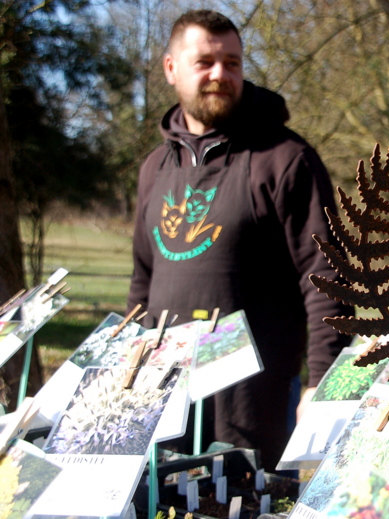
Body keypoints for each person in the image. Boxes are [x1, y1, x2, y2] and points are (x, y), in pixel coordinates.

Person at [127, 9, 353, 471]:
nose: (220, 75)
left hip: (256, 402)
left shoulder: (285, 159)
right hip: (162, 394)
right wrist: (128, 369)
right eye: (205, 62)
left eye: (231, 63)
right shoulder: (155, 167)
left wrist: (322, 383)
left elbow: (327, 279)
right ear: (171, 68)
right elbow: (143, 279)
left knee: (246, 500)